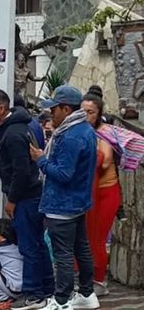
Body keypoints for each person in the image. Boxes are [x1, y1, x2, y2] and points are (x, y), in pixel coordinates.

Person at [0, 89, 54, 309]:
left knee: (28, 246)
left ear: (1, 108)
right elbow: (19, 162)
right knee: (38, 245)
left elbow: (22, 171)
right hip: (32, 195)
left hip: (26, 197)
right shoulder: (18, 128)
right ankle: (47, 287)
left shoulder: (12, 134)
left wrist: (12, 200)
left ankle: (33, 294)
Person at [29, 86, 99, 310]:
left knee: (64, 255)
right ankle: (87, 294)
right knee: (81, 249)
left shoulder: (70, 136)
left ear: (66, 109)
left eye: (54, 110)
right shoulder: (85, 129)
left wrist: (40, 159)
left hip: (62, 205)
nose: (51, 115)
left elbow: (63, 174)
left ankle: (61, 301)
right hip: (77, 202)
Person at [81, 94, 121, 297]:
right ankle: (85, 278)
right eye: (83, 111)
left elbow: (104, 161)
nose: (86, 116)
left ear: (98, 115)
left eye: (91, 112)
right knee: (84, 237)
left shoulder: (103, 132)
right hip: (87, 192)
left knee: (96, 237)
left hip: (106, 192)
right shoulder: (79, 131)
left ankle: (98, 280)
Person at [0, 218, 24, 310]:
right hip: (24, 289)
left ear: (3, 237)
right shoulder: (17, 248)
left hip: (13, 289)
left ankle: (4, 299)